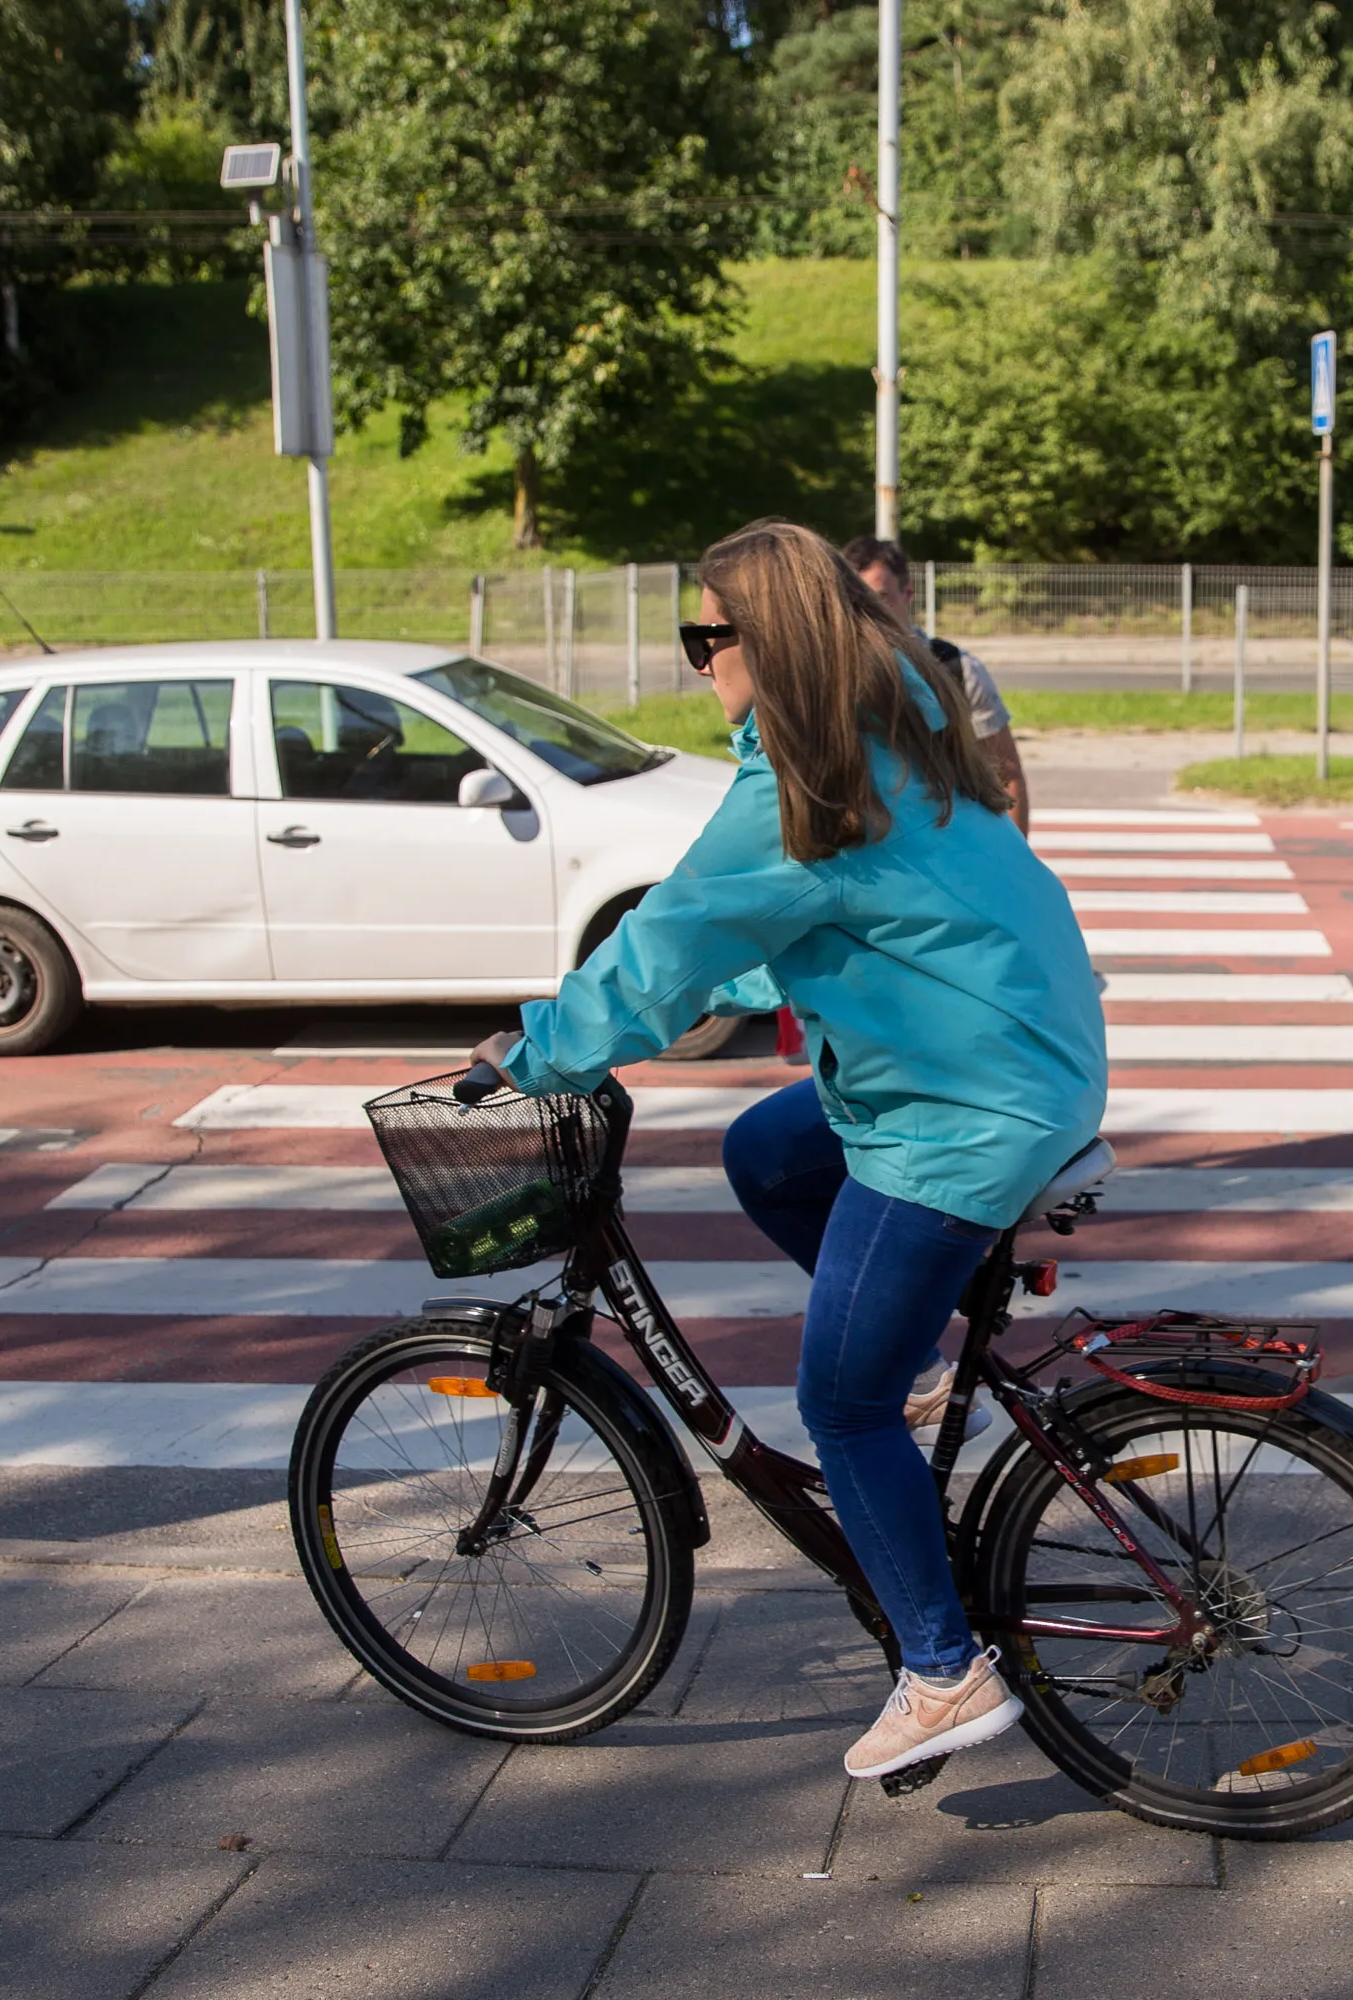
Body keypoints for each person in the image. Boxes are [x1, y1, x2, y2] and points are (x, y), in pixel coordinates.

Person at [469, 519, 1106, 1782]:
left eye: (708, 636)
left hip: (965, 1108)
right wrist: (736, 982)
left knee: (838, 1401)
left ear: (771, 641)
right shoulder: (886, 741)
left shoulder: (797, 788)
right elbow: (849, 917)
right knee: (768, 1152)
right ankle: (926, 1361)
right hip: (1009, 1062)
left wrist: (538, 1055)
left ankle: (944, 1669)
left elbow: (664, 942)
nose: (695, 661)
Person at [840, 536, 1028, 832]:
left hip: (951, 850)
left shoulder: (958, 671)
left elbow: (1007, 776)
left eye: (881, 599)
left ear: (908, 591)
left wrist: (1017, 866)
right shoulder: (834, 678)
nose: (868, 615)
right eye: (855, 603)